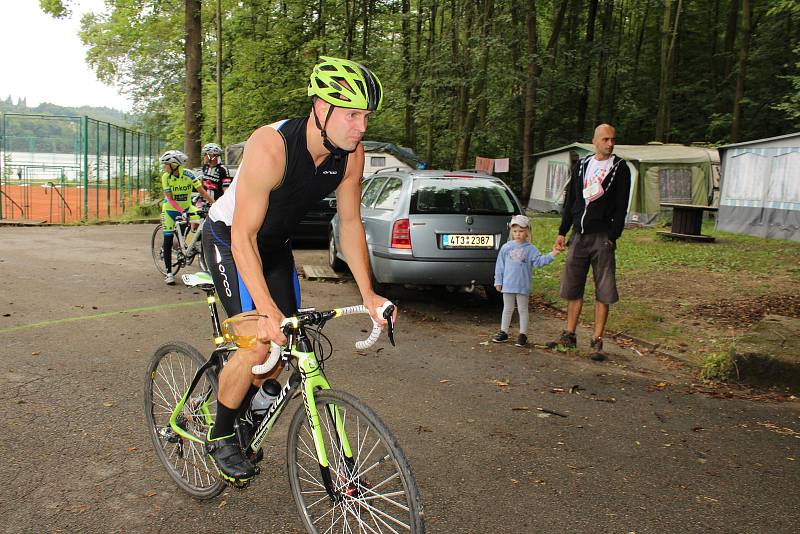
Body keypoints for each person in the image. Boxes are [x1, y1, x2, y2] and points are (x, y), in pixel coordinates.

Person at [201, 56, 394, 484]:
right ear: (320, 109)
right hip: (229, 239)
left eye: (366, 116)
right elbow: (242, 238)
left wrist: (369, 294)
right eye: (351, 115)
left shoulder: (351, 155)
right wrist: (266, 310)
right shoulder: (271, 145)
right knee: (255, 344)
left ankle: (252, 399)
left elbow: (349, 223)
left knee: (283, 349)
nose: (361, 126)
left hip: (275, 247)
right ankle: (220, 435)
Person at [546, 123, 631, 361]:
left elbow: (622, 205)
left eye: (613, 139)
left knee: (603, 288)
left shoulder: (620, 168)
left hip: (603, 236)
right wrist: (563, 231)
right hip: (578, 235)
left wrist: (613, 235)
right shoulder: (582, 165)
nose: (610, 143)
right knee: (573, 285)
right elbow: (571, 199)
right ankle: (569, 334)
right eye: (605, 139)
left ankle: (597, 340)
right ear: (594, 141)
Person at [492, 214, 560, 347]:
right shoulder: (506, 247)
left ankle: (523, 334)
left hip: (522, 285)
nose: (518, 234)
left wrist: (553, 254)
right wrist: (498, 281)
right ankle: (503, 332)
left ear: (527, 231)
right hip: (508, 285)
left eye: (521, 231)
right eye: (515, 231)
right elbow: (500, 266)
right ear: (511, 231)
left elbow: (539, 262)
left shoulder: (531, 249)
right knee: (507, 308)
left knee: (523, 309)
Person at [159, 150, 214, 285]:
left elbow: (202, 192)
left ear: (174, 165)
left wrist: (216, 204)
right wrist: (181, 211)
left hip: (188, 207)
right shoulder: (166, 177)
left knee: (199, 218)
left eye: (166, 164)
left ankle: (189, 245)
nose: (164, 167)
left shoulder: (189, 175)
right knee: (168, 239)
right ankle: (169, 272)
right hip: (171, 210)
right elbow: (170, 199)